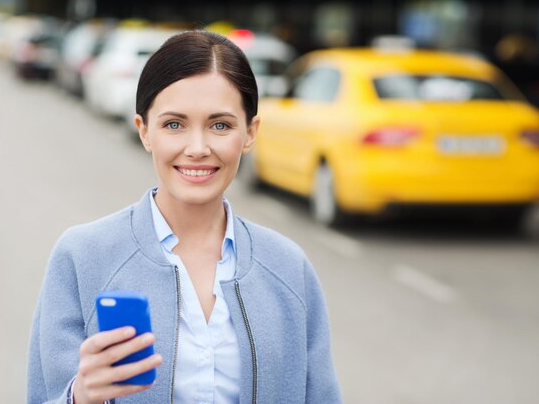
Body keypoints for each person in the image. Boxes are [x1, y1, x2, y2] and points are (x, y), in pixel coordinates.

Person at [27, 30, 342, 404]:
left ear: (250, 133)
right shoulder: (82, 257)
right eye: (174, 124)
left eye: (220, 125)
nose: (197, 148)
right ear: (145, 131)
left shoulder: (288, 267)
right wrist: (79, 397)